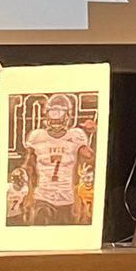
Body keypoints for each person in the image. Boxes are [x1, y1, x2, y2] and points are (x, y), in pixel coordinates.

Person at [20, 94, 93, 225]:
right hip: (43, 196)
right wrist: (28, 193)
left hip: (67, 198)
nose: (56, 120)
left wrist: (95, 132)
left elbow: (91, 159)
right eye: (53, 114)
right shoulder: (37, 137)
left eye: (59, 115)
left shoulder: (76, 136)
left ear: (67, 116)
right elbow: (28, 167)